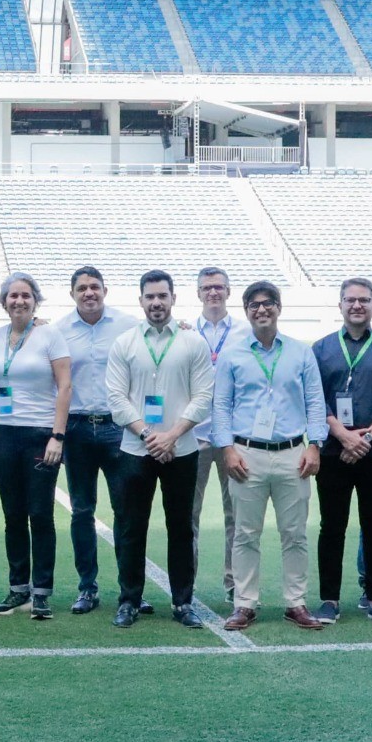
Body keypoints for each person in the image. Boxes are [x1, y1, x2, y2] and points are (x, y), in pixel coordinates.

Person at [212, 280, 326, 631]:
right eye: (254, 305)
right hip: (247, 454)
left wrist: (314, 444)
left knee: (295, 534)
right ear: (245, 311)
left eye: (268, 303)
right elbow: (221, 405)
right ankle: (244, 603)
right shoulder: (233, 353)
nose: (262, 310)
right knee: (246, 533)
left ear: (279, 307)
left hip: (293, 453)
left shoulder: (299, 352)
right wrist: (227, 449)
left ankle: (296, 602)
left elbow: (314, 401)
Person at [104, 269, 213, 628]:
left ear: (173, 299)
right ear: (141, 301)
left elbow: (203, 397)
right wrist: (151, 435)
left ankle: (183, 603)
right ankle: (129, 600)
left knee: (181, 528)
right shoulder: (125, 343)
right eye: (149, 296)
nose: (156, 302)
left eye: (162, 296)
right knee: (131, 527)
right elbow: (117, 399)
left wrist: (172, 435)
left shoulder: (192, 342)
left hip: (181, 450)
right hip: (136, 451)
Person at [312, 277, 372, 625]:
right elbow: (314, 399)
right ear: (339, 305)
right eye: (350, 300)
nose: (357, 305)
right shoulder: (320, 349)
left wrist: (364, 440)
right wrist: (341, 433)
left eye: (364, 300)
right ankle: (329, 599)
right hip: (331, 454)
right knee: (331, 527)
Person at [0, 272, 72, 618]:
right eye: (12, 296)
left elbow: (64, 387)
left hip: (40, 434)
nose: (19, 301)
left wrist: (58, 435)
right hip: (2, 434)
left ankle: (42, 591)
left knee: (40, 513)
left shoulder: (50, 335)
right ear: (4, 302)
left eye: (25, 295)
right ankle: (18, 588)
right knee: (13, 515)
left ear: (35, 300)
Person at [51, 266, 136, 614]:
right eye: (82, 288)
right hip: (77, 429)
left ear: (105, 290)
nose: (89, 293)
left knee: (126, 511)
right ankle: (88, 588)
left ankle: (131, 590)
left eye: (95, 287)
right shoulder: (58, 331)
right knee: (82, 511)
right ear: (72, 294)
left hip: (118, 428)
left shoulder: (128, 325)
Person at [189, 266, 242, 595]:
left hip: (231, 438)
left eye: (219, 287)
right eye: (207, 287)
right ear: (198, 293)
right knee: (187, 515)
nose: (213, 292)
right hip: (191, 436)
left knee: (236, 515)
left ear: (228, 291)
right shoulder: (184, 331)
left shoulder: (244, 332)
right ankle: (186, 584)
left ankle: (235, 584)